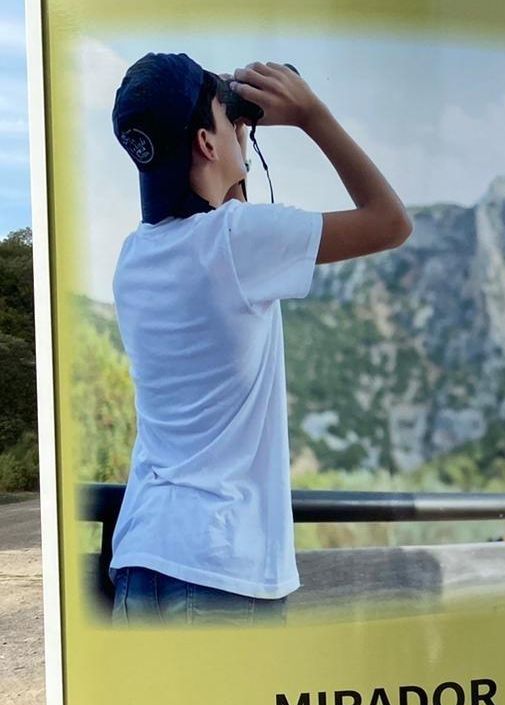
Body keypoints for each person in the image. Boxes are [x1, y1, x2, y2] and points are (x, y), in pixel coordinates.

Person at [106, 54, 411, 624]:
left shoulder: (135, 257)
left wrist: (229, 135)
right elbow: (391, 222)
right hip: (220, 569)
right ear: (205, 142)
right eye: (226, 120)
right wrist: (312, 115)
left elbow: (214, 223)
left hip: (142, 560)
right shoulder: (240, 243)